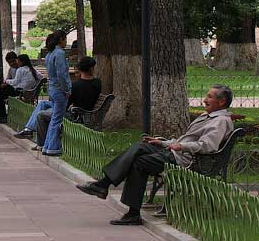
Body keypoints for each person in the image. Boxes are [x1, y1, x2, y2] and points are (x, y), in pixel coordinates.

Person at [77, 85, 234, 226]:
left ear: (222, 102)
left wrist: (181, 146)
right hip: (176, 153)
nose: (205, 100)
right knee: (141, 147)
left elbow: (208, 146)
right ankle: (109, 192)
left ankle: (108, 189)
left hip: (187, 160)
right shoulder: (207, 116)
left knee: (139, 161)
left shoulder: (219, 121)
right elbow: (186, 140)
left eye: (210, 97)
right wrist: (163, 143)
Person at [16, 57, 102, 147]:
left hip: (74, 113)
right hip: (79, 109)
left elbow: (65, 104)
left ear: (80, 70)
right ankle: (29, 129)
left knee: (41, 115)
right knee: (43, 103)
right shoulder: (97, 82)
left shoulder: (75, 85)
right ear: (92, 68)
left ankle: (41, 144)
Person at [0, 54, 39, 127]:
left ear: (20, 61)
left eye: (16, 61)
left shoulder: (21, 69)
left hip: (20, 91)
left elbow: (15, 82)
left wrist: (7, 82)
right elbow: (41, 77)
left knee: (1, 90)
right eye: (10, 62)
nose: (14, 63)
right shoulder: (31, 69)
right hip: (23, 91)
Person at [40, 30, 71, 156]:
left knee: (54, 118)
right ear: (61, 40)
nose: (66, 42)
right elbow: (62, 74)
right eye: (65, 39)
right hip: (59, 90)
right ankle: (52, 147)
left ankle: (47, 146)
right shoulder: (59, 53)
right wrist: (67, 90)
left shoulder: (49, 54)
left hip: (52, 89)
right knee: (57, 119)